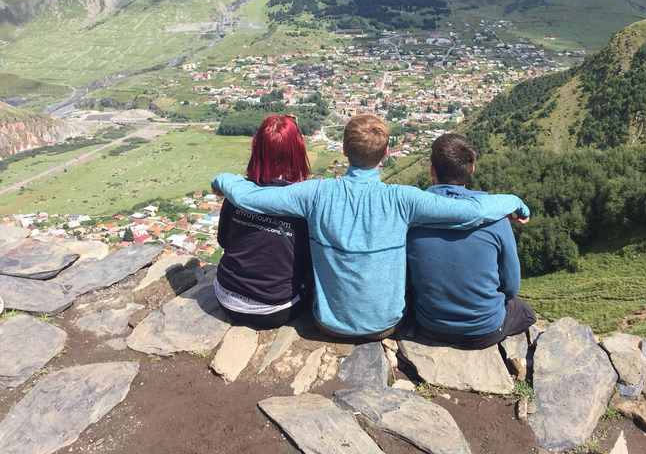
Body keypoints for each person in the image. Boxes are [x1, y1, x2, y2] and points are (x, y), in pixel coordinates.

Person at [211, 114, 530, 339]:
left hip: (327, 324)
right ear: (386, 154)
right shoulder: (403, 199)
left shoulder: (317, 193)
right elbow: (471, 211)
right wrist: (515, 200)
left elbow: (253, 199)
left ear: (345, 151)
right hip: (386, 326)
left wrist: (223, 180)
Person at [407, 134, 536, 349]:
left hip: (429, 325)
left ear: (432, 170)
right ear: (472, 170)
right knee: (525, 312)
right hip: (485, 331)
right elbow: (511, 287)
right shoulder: (496, 219)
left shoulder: (412, 218)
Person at [214, 114, 313, 328]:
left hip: (225, 296)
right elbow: (309, 261)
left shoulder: (239, 193)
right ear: (297, 152)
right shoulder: (302, 203)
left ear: (257, 148)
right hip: (275, 309)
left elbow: (224, 241)